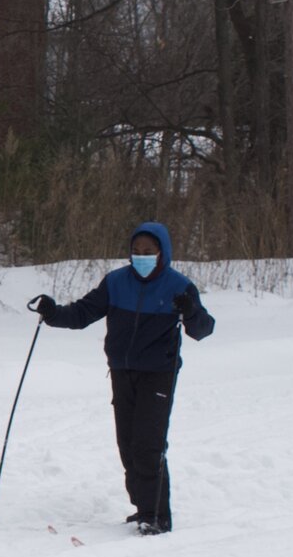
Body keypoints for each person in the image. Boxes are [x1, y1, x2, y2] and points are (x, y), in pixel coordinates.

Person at [34, 222, 214, 535]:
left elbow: (203, 329)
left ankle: (157, 516)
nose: (141, 256)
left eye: (148, 251)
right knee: (128, 443)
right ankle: (143, 507)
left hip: (158, 373)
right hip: (121, 370)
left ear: (162, 252)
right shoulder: (116, 282)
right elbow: (82, 313)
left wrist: (191, 310)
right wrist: (52, 314)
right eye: (136, 251)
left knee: (148, 443)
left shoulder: (178, 285)